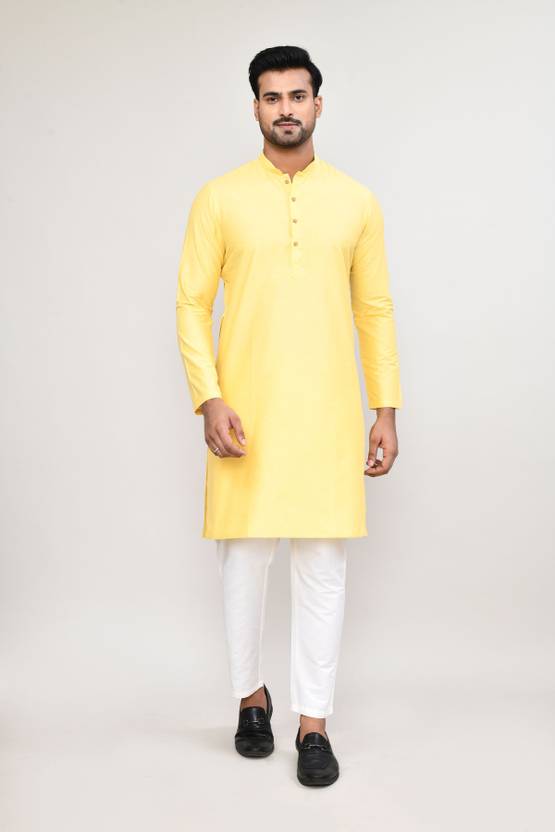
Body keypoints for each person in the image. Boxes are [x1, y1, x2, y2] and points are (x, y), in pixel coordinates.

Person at [175, 45, 403, 787]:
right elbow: (190, 303)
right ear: (255, 108)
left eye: (297, 96)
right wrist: (208, 396)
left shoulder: (356, 201)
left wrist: (385, 409)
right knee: (242, 566)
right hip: (243, 413)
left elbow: (374, 309)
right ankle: (251, 700)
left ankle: (313, 725)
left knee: (322, 569)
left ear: (317, 105)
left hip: (329, 413)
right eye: (271, 97)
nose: (285, 109)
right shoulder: (219, 198)